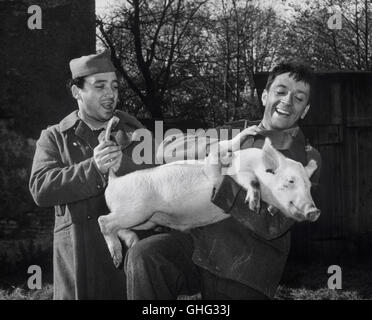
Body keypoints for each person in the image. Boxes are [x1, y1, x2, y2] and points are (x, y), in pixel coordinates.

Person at [124, 61, 322, 299]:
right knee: (147, 255)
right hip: (196, 244)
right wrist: (215, 149)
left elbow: (273, 224)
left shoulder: (306, 158)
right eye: (280, 92)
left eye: (298, 98)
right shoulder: (236, 131)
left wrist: (220, 175)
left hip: (245, 265)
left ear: (306, 110)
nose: (287, 101)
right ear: (264, 96)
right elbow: (169, 147)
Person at [29, 50, 153, 299]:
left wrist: (124, 165)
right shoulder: (54, 136)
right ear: (77, 92)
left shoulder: (137, 134)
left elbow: (156, 185)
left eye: (115, 87)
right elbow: (40, 189)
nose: (111, 94)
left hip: (129, 261)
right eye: (100, 86)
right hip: (78, 260)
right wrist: (93, 167)